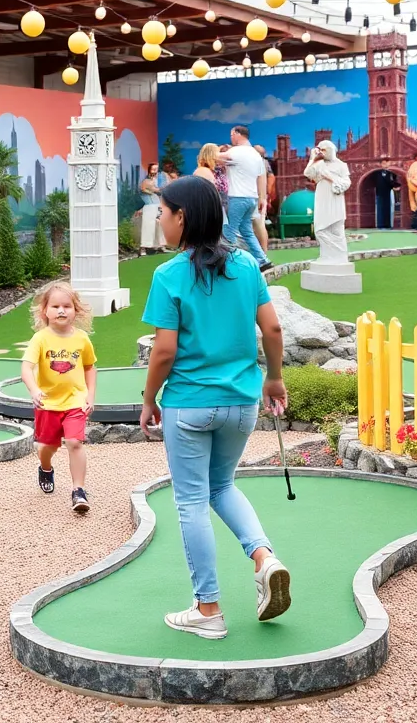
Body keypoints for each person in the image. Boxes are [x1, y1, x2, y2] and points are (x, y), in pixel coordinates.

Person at [139, 177, 291, 640]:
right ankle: (265, 558)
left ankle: (208, 610)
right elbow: (273, 329)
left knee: (190, 502)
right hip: (241, 403)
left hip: (189, 404)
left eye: (163, 212)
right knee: (222, 486)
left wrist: (148, 400)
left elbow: (163, 351)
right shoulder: (246, 264)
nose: (160, 219)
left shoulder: (169, 275)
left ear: (182, 216)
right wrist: (275, 377)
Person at [22, 282, 97, 513]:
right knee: (47, 446)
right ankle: (45, 467)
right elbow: (26, 368)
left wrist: (90, 395)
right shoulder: (41, 339)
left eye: (67, 306)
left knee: (74, 442)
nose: (61, 311)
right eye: (55, 306)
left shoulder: (82, 338)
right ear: (45, 310)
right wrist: (35, 390)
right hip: (48, 403)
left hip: (75, 400)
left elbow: (89, 367)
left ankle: (78, 491)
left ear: (76, 310)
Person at [216, 125, 274, 272]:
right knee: (247, 231)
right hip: (251, 198)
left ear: (237, 134)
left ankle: (227, 264)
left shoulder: (236, 151)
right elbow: (262, 178)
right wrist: (262, 198)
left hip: (237, 196)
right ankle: (262, 259)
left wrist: (218, 149)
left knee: (229, 232)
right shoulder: (256, 155)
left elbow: (211, 157)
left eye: (231, 134)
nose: (230, 138)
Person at [304, 140, 352, 265]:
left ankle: (339, 256)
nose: (322, 152)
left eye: (324, 150)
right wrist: (312, 159)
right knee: (320, 229)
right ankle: (326, 255)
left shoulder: (341, 165)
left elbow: (346, 183)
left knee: (336, 229)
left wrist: (330, 178)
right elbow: (308, 173)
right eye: (320, 150)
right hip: (322, 198)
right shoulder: (319, 164)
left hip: (335, 200)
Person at [193, 143, 229, 214]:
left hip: (222, 202)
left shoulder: (219, 170)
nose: (220, 155)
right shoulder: (203, 171)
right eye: (217, 152)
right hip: (212, 204)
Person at [139, 163, 163, 256]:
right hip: (149, 206)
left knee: (159, 226)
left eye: (156, 169)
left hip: (157, 205)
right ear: (149, 170)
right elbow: (143, 188)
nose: (155, 171)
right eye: (153, 169)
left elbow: (159, 190)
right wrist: (152, 192)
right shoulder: (146, 181)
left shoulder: (157, 180)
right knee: (148, 227)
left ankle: (159, 246)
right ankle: (143, 248)